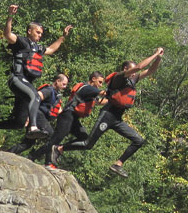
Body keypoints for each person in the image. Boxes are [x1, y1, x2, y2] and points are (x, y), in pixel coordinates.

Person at [60, 48, 165, 177]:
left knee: (138, 140)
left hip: (117, 119)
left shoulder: (132, 80)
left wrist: (159, 58)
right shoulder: (118, 78)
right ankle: (60, 148)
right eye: (131, 71)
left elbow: (150, 70)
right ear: (126, 69)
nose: (134, 75)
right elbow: (139, 67)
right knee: (88, 144)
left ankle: (118, 164)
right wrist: (154, 53)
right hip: (107, 115)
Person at [0, 5, 72, 144]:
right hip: (16, 79)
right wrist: (10, 16)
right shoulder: (22, 42)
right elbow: (7, 35)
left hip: (26, 84)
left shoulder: (39, 48)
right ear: (30, 31)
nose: (40, 35)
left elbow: (52, 49)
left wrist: (63, 37)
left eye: (41, 33)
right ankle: (33, 128)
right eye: (38, 32)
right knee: (35, 95)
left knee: (18, 122)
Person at [41, 71, 106, 170]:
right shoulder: (87, 88)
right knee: (56, 139)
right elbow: (103, 94)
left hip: (73, 118)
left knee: (84, 138)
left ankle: (60, 149)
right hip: (67, 115)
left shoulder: (91, 92)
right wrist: (115, 93)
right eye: (100, 82)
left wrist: (114, 101)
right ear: (93, 79)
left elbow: (99, 101)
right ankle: (45, 161)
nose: (101, 85)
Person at [8, 73, 68, 157]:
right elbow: (35, 98)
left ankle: (8, 153)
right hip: (38, 115)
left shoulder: (56, 95)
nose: (65, 87)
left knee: (27, 144)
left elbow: (60, 112)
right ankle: (40, 158)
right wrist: (29, 116)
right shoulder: (48, 90)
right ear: (58, 81)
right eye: (64, 84)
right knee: (51, 134)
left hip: (41, 118)